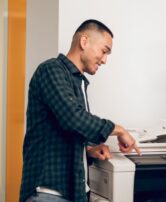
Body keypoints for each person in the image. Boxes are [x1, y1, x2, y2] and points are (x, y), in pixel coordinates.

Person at [20, 19, 141, 202]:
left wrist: (89, 150)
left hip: (73, 193)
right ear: (84, 42)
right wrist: (119, 130)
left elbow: (68, 130)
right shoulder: (51, 70)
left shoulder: (78, 82)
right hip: (48, 192)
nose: (105, 60)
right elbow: (73, 117)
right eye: (104, 51)